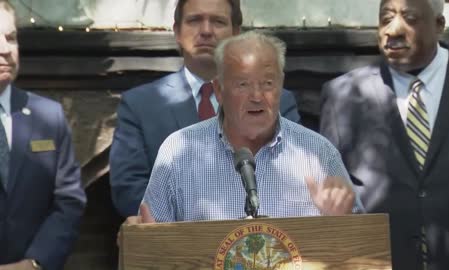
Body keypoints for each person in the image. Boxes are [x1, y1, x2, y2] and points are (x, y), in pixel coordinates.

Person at [319, 0, 449, 269]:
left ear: (439, 25)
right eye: (386, 18)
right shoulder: (342, 96)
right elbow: (333, 192)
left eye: (409, 18)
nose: (393, 30)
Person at [139, 31, 363, 223]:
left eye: (267, 83)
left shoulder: (318, 153)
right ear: (218, 90)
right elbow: (151, 240)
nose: (257, 96)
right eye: (243, 84)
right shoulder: (177, 152)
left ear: (280, 85)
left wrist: (338, 224)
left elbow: (362, 247)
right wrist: (139, 236)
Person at [109, 0, 300, 219]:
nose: (206, 31)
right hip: (176, 244)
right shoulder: (140, 105)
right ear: (177, 32)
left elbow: (294, 175)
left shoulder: (277, 102)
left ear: (236, 33)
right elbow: (129, 189)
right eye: (194, 20)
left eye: (218, 21)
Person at [0, 1, 86, 270]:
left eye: (11, 38)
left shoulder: (49, 116)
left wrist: (35, 263)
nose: (5, 50)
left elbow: (68, 201)